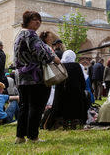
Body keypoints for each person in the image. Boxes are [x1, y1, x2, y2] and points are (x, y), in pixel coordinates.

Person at [14, 11, 60, 144]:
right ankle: (33, 137)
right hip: (34, 76)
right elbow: (41, 52)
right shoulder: (31, 34)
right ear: (27, 21)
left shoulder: (19, 34)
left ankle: (20, 136)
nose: (38, 22)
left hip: (21, 76)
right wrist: (54, 58)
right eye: (34, 20)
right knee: (36, 106)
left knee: (24, 106)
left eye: (39, 20)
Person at [43, 50, 89, 130]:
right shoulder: (77, 66)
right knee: (83, 97)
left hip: (62, 97)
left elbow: (58, 84)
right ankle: (77, 122)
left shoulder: (61, 65)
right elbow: (82, 82)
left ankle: (61, 122)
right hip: (76, 97)